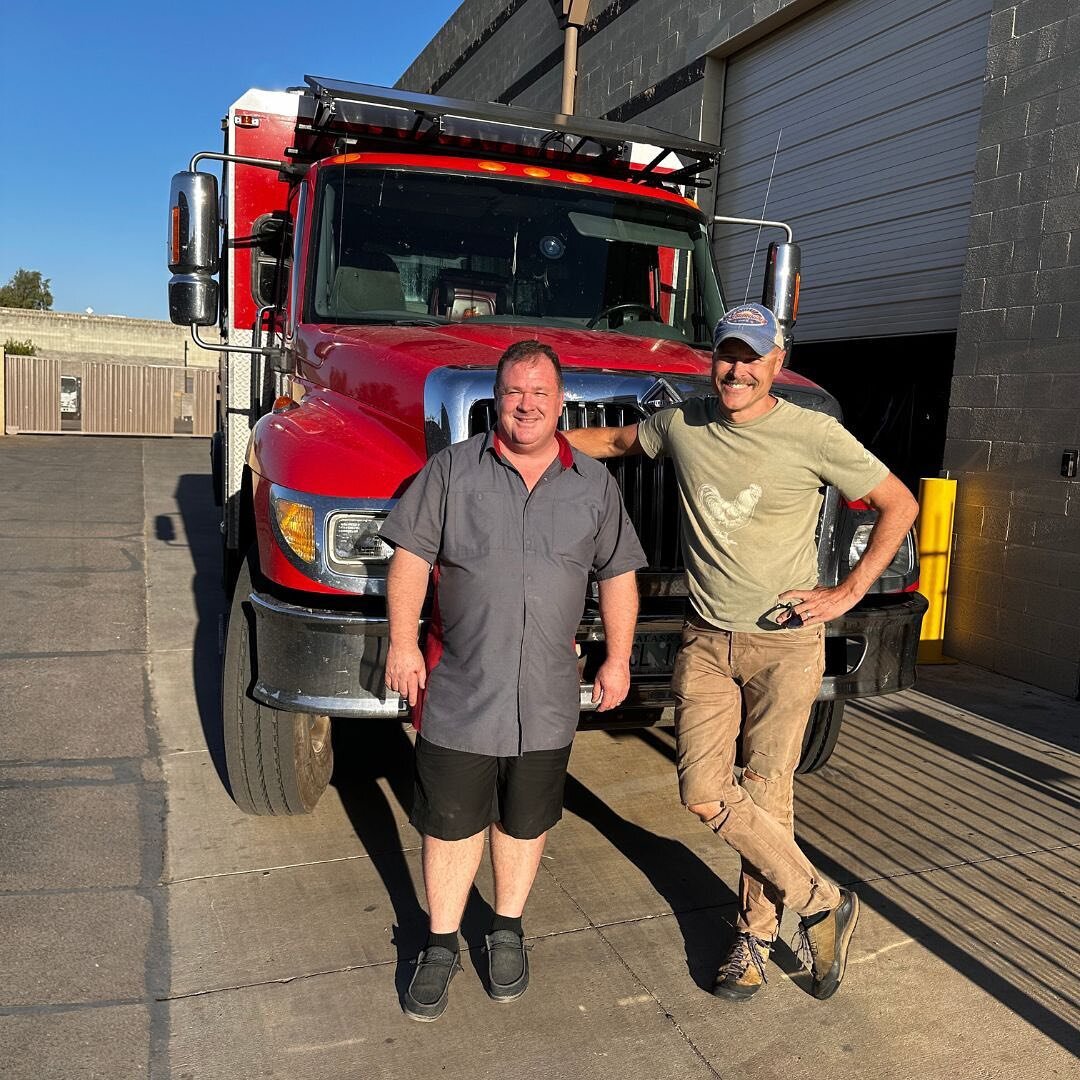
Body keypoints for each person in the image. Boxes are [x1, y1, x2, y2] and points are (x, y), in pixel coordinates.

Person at [564, 303, 919, 1002]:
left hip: (786, 644)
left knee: (765, 792)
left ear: (775, 365)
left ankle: (753, 942)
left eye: (751, 357)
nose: (736, 369)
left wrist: (846, 591)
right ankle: (821, 901)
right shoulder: (683, 423)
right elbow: (615, 444)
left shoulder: (813, 432)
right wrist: (534, 438)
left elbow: (899, 503)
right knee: (703, 792)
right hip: (705, 640)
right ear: (713, 361)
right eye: (727, 354)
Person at [381, 339, 646, 1021]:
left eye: (539, 394)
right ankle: (439, 944)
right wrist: (403, 643)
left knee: (524, 822)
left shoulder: (593, 485)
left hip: (548, 694)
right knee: (450, 822)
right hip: (460, 687)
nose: (525, 405)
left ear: (561, 403)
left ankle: (506, 931)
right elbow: (410, 558)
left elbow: (618, 575)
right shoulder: (450, 472)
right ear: (497, 400)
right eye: (513, 392)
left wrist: (618, 657)